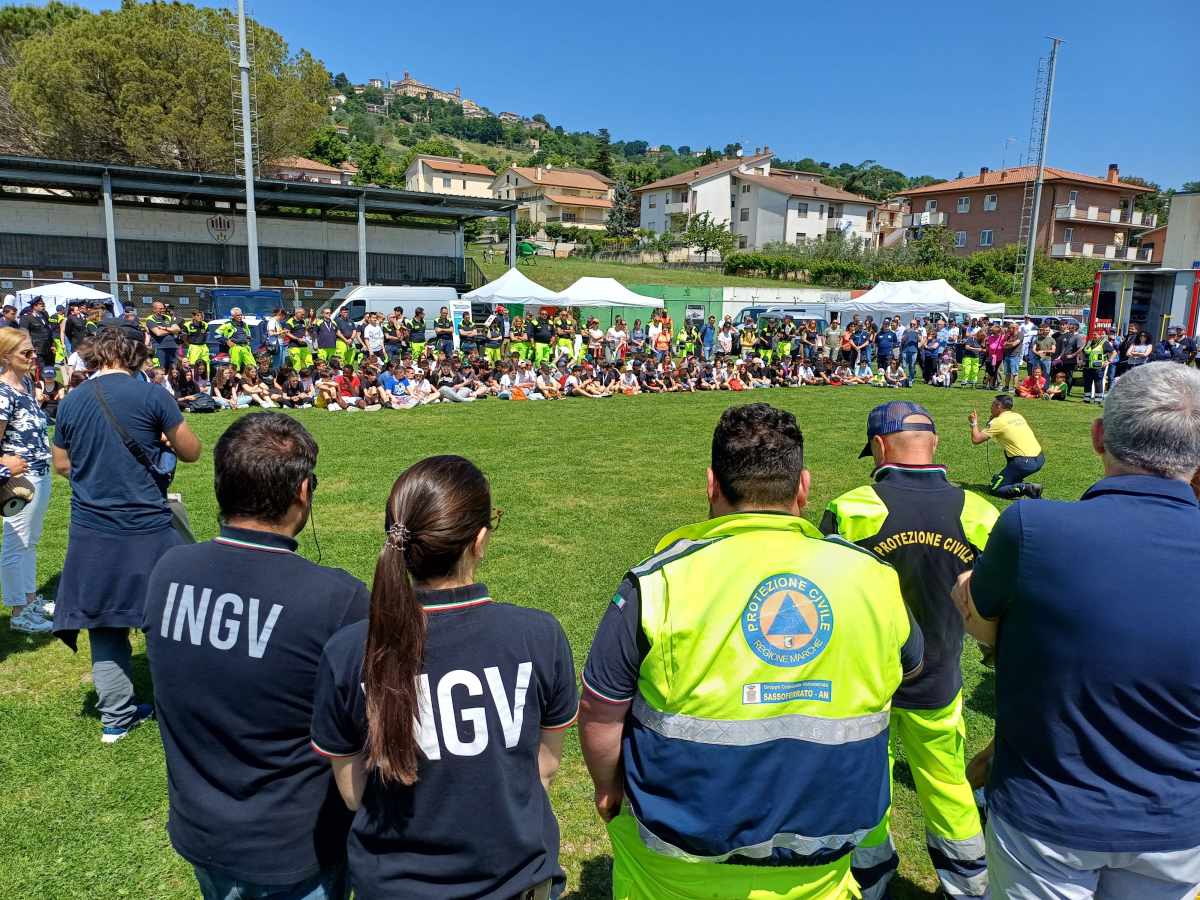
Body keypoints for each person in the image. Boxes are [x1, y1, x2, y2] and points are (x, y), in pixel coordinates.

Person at [579, 403, 923, 900]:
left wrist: (607, 787)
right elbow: (911, 664)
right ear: (803, 487)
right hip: (825, 850)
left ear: (711, 485)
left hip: (678, 861)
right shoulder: (872, 576)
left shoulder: (657, 582)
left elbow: (600, 708)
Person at [953, 362, 1200, 899]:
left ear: (1098, 437)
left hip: (1047, 813)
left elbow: (975, 608)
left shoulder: (1032, 526)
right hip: (1176, 822)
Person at [311, 455, 577, 899]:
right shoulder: (538, 636)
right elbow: (544, 768)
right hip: (513, 881)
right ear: (479, 541)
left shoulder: (347, 651)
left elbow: (354, 793)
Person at [144, 413, 368, 900]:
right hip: (294, 848)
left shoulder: (169, 569)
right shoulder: (338, 600)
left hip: (202, 830)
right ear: (303, 491)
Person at [822, 402, 997, 900]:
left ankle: (870, 880)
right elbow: (994, 607)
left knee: (865, 782)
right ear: (934, 443)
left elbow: (827, 596)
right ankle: (969, 885)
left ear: (879, 447)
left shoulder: (850, 509)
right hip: (939, 679)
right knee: (948, 784)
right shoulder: (980, 512)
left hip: (864, 685)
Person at [51, 326, 202, 743]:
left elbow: (61, 464)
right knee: (167, 619)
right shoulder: (152, 395)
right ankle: (178, 708)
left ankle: (115, 718)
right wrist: (162, 445)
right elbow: (191, 451)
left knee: (104, 622)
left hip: (91, 527)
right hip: (147, 525)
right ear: (136, 355)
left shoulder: (72, 400)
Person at [0, 329, 54, 634]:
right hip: (19, 479)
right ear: (6, 356)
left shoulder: (27, 385)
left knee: (30, 541)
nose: (34, 357)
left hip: (40, 471)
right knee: (16, 542)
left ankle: (30, 600)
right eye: (26, 353)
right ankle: (18, 610)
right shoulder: (3, 392)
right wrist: (6, 465)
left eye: (33, 352)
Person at [969, 394, 1044, 499]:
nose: (991, 407)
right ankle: (1015, 479)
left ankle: (1027, 488)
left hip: (1024, 463)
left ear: (999, 406)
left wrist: (974, 423)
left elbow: (976, 439)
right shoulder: (1017, 416)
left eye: (993, 404)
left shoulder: (998, 422)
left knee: (995, 489)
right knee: (1008, 452)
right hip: (1039, 458)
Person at [144, 301, 181, 372]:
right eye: (160, 308)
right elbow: (158, 333)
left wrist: (165, 328)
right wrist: (171, 330)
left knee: (175, 370)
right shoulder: (150, 319)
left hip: (173, 347)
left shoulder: (168, 317)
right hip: (160, 348)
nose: (163, 310)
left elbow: (178, 329)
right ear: (154, 309)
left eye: (163, 308)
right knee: (161, 370)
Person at [18, 296, 54, 368]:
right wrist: (29, 349)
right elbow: (24, 334)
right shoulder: (26, 317)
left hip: (48, 348)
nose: (43, 306)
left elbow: (48, 330)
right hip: (37, 349)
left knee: (50, 369)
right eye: (41, 304)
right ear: (34, 306)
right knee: (41, 369)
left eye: (43, 304)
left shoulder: (44, 315)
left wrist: (52, 344)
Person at [217, 308, 256, 373]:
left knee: (252, 366)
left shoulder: (244, 324)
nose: (240, 316)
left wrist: (248, 340)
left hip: (245, 347)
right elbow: (216, 334)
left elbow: (248, 334)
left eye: (241, 315)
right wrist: (227, 341)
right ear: (233, 316)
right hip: (235, 348)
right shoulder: (228, 324)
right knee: (235, 367)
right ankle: (234, 379)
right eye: (238, 315)